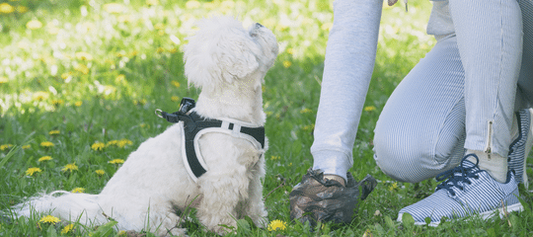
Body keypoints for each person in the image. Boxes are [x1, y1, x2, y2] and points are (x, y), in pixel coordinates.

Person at [290, 0, 533, 226]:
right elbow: (353, 24)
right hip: (470, 36)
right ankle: (508, 130)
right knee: (402, 151)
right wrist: (329, 166)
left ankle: (489, 165)